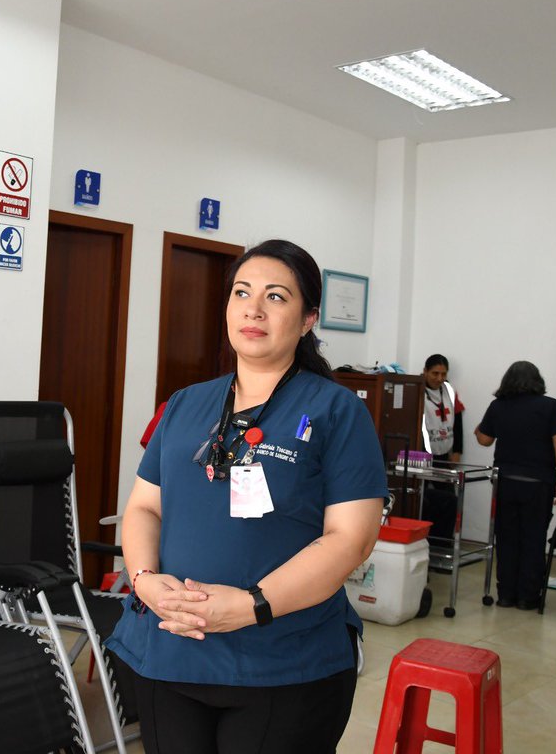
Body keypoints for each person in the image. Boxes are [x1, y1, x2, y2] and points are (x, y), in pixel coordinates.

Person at [106, 239, 387, 754]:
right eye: (242, 292)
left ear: (308, 320)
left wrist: (252, 606)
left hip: (282, 663)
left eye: (276, 297)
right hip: (170, 652)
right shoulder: (186, 404)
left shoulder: (335, 411)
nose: (254, 309)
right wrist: (144, 581)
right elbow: (145, 506)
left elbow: (351, 540)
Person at [475, 361, 556, 610]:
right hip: (538, 484)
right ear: (537, 381)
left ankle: (506, 595)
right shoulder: (550, 406)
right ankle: (528, 597)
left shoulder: (498, 406)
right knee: (533, 538)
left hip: (505, 482)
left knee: (506, 538)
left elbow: (484, 439)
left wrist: (479, 429)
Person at [420, 353, 466, 541]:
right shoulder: (416, 390)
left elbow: (458, 423)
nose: (439, 378)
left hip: (443, 455)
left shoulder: (448, 391)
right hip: (422, 456)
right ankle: (425, 540)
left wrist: (457, 451)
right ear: (425, 372)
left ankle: (444, 543)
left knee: (449, 501)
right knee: (425, 501)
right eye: (435, 373)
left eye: (443, 374)